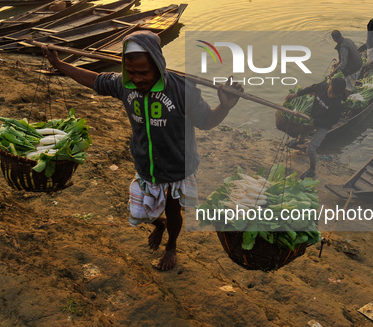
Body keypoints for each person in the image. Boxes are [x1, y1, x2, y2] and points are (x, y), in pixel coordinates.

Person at [41, 31, 243, 271]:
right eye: (132, 72)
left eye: (144, 72)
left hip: (178, 164)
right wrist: (59, 64)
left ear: (158, 65)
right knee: (140, 211)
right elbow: (95, 80)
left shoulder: (182, 90)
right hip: (145, 163)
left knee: (173, 209)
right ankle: (159, 224)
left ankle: (171, 246)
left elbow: (207, 121)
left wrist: (225, 106)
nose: (137, 79)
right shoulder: (123, 85)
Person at [284, 77, 346, 179]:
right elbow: (310, 89)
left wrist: (316, 122)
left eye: (334, 95)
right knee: (303, 132)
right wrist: (295, 95)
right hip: (313, 117)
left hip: (324, 124)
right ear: (330, 85)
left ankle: (312, 169)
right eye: (331, 92)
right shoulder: (322, 87)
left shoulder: (337, 104)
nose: (331, 95)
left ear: (339, 94)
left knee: (311, 148)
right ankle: (299, 141)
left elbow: (333, 121)